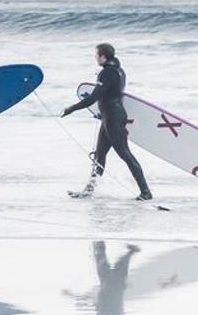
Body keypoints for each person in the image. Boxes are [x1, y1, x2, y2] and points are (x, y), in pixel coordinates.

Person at [61, 42, 152, 201]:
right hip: (110, 117)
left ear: (103, 56)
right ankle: (89, 191)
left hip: (113, 118)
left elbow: (93, 97)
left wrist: (71, 108)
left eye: (97, 55)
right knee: (99, 156)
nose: (95, 57)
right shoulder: (119, 70)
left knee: (125, 154)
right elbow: (110, 94)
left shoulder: (107, 73)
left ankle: (146, 192)